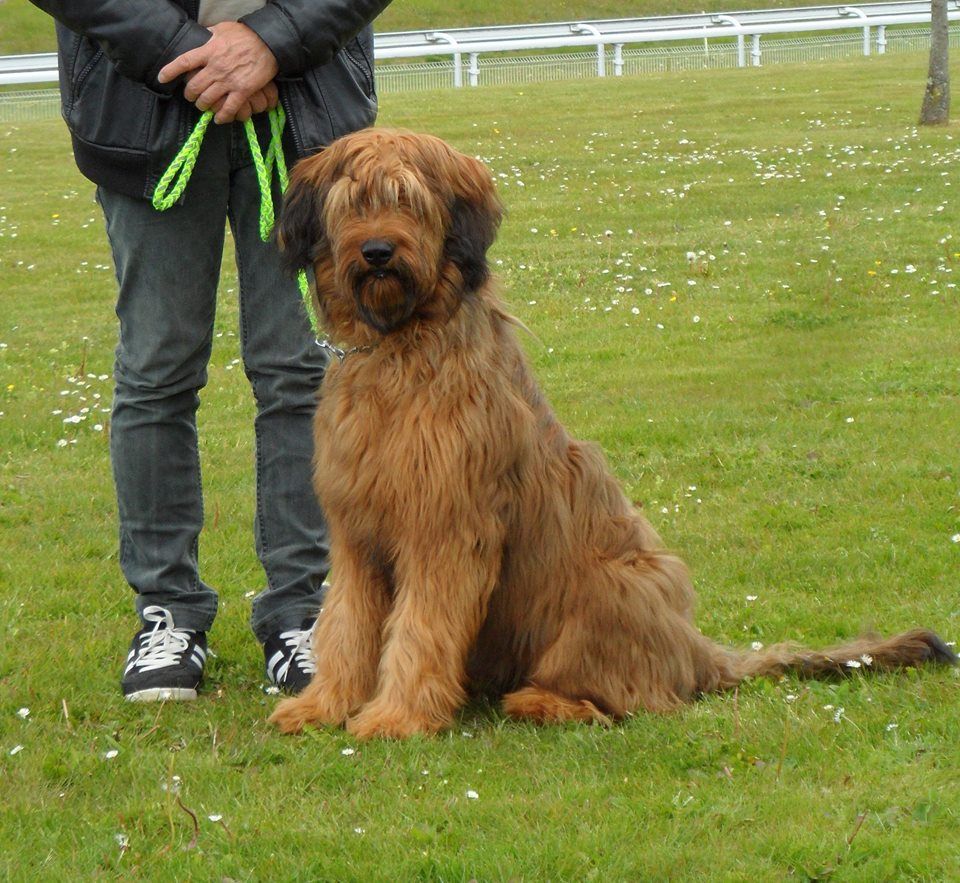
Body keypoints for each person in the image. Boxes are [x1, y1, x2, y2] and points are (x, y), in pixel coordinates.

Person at [29, 0, 392, 701]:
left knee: (300, 368)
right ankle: (167, 611)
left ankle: (304, 609)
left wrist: (273, 40)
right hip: (143, 101)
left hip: (305, 103)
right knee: (157, 370)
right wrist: (188, 51)